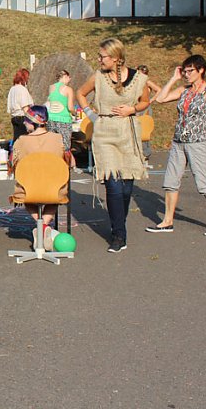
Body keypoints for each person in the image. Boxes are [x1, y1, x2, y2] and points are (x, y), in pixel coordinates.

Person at [76, 38, 150, 253]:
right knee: (113, 185)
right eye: (99, 56)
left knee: (126, 187)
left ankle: (119, 221)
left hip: (128, 132)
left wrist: (132, 109)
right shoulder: (98, 76)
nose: (99, 60)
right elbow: (80, 93)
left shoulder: (139, 78)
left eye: (103, 57)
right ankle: (119, 235)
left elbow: (145, 101)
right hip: (105, 133)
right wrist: (91, 114)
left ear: (116, 57)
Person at [147, 55, 206, 236]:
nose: (187, 74)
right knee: (170, 182)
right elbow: (161, 99)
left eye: (190, 71)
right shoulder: (184, 89)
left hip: (197, 143)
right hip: (179, 142)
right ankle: (167, 221)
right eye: (185, 71)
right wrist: (174, 78)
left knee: (203, 184)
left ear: (201, 70)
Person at [10, 106, 66, 249]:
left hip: (29, 189)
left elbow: (13, 163)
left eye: (26, 120)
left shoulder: (21, 141)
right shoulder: (58, 138)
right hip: (54, 188)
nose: (24, 123)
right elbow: (68, 162)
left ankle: (41, 227)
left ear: (33, 122)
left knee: (27, 200)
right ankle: (44, 226)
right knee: (54, 201)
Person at [46, 69, 76, 167]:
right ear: (65, 76)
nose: (69, 80)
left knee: (53, 145)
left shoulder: (51, 87)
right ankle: (65, 167)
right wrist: (75, 113)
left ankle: (53, 166)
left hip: (51, 119)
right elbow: (70, 107)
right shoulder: (68, 89)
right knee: (65, 146)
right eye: (69, 77)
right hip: (64, 119)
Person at [136, 64, 162, 164]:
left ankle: (145, 153)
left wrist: (151, 100)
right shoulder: (135, 82)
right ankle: (138, 152)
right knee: (136, 130)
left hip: (145, 108)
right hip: (137, 107)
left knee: (144, 130)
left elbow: (159, 90)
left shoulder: (147, 82)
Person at [7, 68, 33, 146]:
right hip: (22, 118)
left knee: (17, 141)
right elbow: (25, 108)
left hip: (14, 118)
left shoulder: (12, 89)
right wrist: (31, 120)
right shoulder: (22, 89)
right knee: (24, 143)